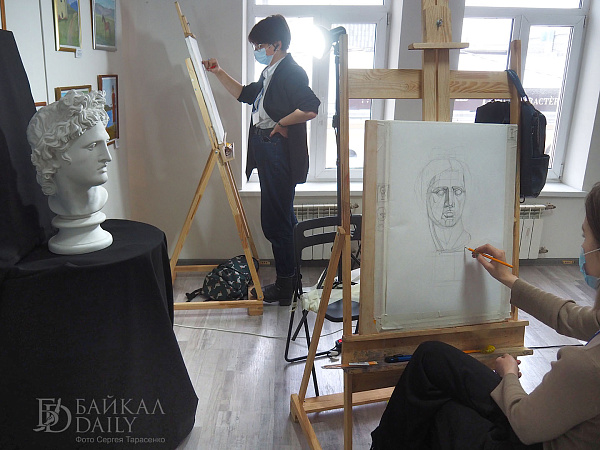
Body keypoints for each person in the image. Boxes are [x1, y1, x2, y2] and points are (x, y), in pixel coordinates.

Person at [371, 182, 600, 449]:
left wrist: (508, 374)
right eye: (440, 192)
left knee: (444, 413)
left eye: (585, 236)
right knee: (430, 357)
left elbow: (525, 424)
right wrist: (509, 279)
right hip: (546, 425)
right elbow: (570, 317)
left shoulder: (586, 366)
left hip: (532, 435)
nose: (582, 246)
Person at [203, 14, 320, 305]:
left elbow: (311, 107)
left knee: (276, 222)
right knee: (284, 219)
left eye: (260, 45)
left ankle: (285, 286)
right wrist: (218, 72)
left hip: (277, 149)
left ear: (276, 45)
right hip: (267, 147)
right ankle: (290, 282)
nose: (257, 50)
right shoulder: (270, 72)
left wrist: (282, 123)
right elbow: (245, 94)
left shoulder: (291, 72)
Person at [27, 90, 113, 254]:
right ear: (53, 155)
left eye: (105, 143)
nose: (107, 157)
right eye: (92, 146)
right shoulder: (59, 204)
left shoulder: (99, 197)